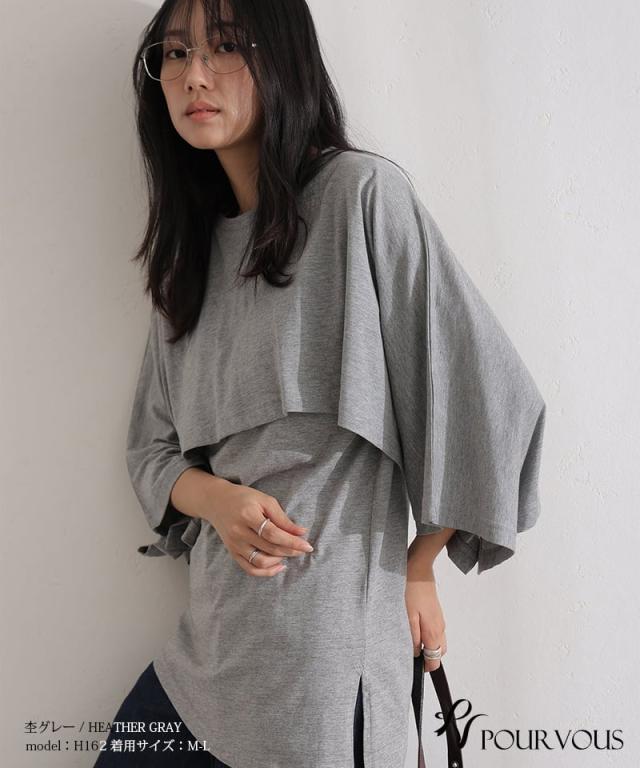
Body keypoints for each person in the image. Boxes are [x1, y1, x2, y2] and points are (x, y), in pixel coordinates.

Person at [94, 0, 547, 766]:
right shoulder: (187, 258)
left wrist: (419, 567)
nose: (194, 75)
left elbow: (491, 398)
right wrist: (220, 500)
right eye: (173, 53)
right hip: (201, 666)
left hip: (323, 678)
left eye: (225, 46)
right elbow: (151, 449)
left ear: (283, 58)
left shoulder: (360, 198)